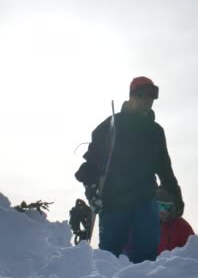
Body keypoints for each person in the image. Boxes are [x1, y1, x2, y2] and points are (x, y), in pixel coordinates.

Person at [75, 76, 184, 263]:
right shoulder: (112, 125)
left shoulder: (156, 131)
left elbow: (165, 168)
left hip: (146, 200)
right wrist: (92, 191)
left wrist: (176, 196)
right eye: (142, 96)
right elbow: (90, 165)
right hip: (113, 202)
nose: (147, 101)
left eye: (151, 97)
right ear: (132, 96)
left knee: (146, 259)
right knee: (110, 258)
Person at [156, 188, 195, 254]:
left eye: (167, 207)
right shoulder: (142, 224)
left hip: (171, 263)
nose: (163, 211)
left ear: (172, 209)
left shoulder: (182, 227)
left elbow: (193, 254)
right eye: (159, 206)